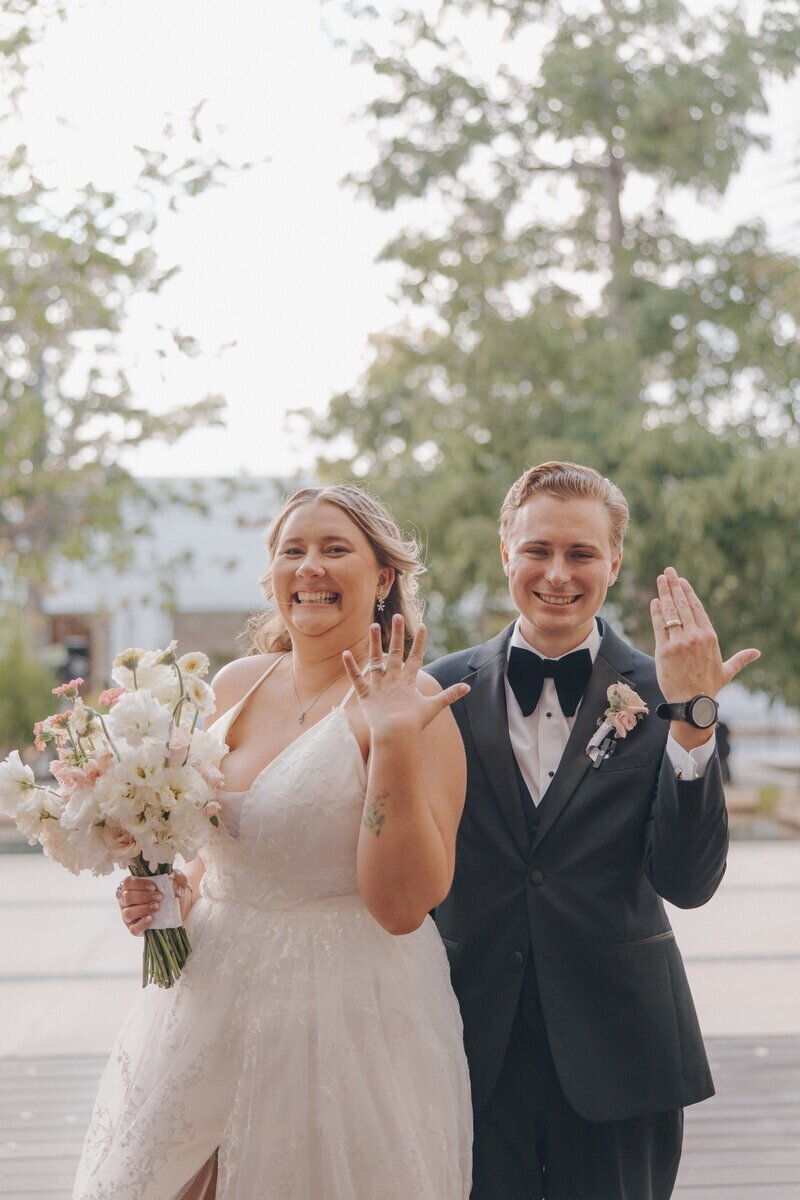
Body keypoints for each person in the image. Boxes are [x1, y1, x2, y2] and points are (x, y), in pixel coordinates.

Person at [73, 485, 473, 1200]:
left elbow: (402, 908)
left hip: (344, 1011)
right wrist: (176, 888)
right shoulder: (232, 685)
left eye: (335, 549)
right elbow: (216, 842)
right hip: (205, 998)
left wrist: (389, 742)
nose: (310, 567)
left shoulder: (419, 708)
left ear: (384, 578)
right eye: (293, 550)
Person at [428, 461, 760, 1200]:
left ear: (614, 562)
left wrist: (693, 718)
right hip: (468, 1044)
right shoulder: (436, 691)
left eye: (581, 553)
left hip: (622, 1049)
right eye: (537, 550)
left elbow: (687, 882)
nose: (557, 573)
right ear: (504, 553)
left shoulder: (669, 691)